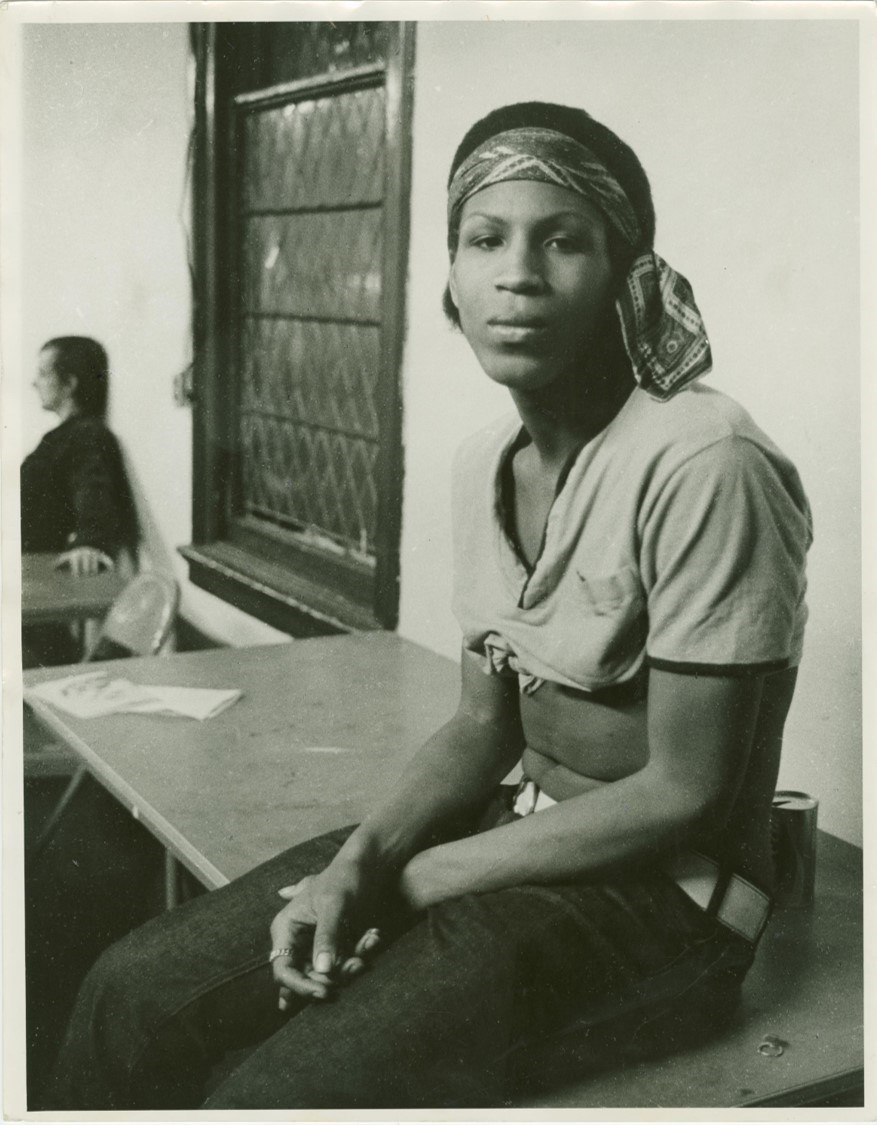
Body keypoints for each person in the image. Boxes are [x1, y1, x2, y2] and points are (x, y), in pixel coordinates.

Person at [48, 102, 812, 1110]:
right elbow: (479, 725)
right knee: (130, 993)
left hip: (665, 903)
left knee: (277, 1094)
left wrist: (410, 884)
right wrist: (361, 863)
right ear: (450, 282)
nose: (519, 274)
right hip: (509, 836)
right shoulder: (479, 462)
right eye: (484, 239)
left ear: (630, 278)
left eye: (563, 240)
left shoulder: (705, 462)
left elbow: (685, 793)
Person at [21, 336, 138, 666]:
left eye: (43, 373)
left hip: (37, 580)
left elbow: (95, 494)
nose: (34, 382)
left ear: (69, 383)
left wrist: (91, 541)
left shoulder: (87, 435)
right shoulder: (62, 436)